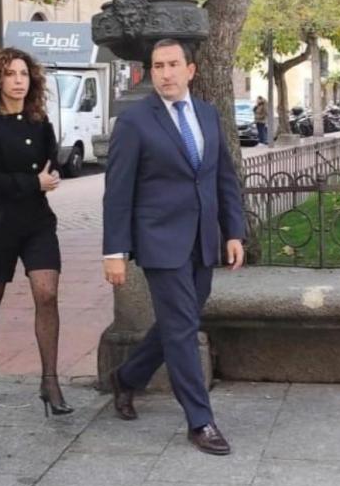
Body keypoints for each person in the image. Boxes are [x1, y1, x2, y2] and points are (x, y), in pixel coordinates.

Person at [102, 39, 245, 456]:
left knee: (175, 322)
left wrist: (233, 232)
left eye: (172, 65)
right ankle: (200, 420)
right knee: (182, 326)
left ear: (190, 70)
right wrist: (115, 251)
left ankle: (127, 378)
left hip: (202, 240)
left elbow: (223, 178)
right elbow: (118, 192)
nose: (164, 73)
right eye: (157, 65)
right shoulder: (135, 122)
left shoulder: (207, 114)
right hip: (159, 242)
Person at [0, 47, 73, 417]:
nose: (18, 81)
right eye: (10, 74)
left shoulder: (39, 120)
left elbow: (50, 162)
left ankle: (50, 380)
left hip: (38, 222)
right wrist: (34, 182)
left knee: (47, 293)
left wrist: (50, 175)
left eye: (24, 74)